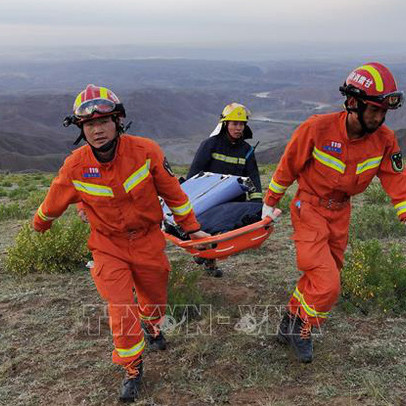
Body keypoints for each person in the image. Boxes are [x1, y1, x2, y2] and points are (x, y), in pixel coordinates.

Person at [32, 84, 208, 402]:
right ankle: (131, 367)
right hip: (107, 245)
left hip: (147, 240)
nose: (97, 130)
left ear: (118, 122)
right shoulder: (75, 166)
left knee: (154, 295)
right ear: (81, 128)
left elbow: (174, 194)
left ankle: (152, 325)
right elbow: (53, 200)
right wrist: (40, 223)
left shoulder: (146, 151)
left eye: (103, 122)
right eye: (89, 125)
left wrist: (192, 230)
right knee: (120, 307)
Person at [262, 62, 406, 363]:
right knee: (327, 283)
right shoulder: (317, 128)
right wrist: (270, 201)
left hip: (341, 213)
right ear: (353, 103)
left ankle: (289, 318)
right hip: (309, 208)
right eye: (375, 110)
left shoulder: (384, 140)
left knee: (321, 277)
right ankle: (304, 328)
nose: (380, 118)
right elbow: (288, 165)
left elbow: (397, 182)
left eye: (384, 112)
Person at [187, 103, 262, 277]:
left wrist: (256, 203)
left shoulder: (247, 151)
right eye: (234, 123)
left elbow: (253, 177)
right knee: (207, 229)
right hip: (209, 198)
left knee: (222, 232)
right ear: (225, 124)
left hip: (234, 200)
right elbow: (194, 174)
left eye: (242, 124)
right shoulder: (210, 145)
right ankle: (206, 258)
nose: (238, 128)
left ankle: (209, 259)